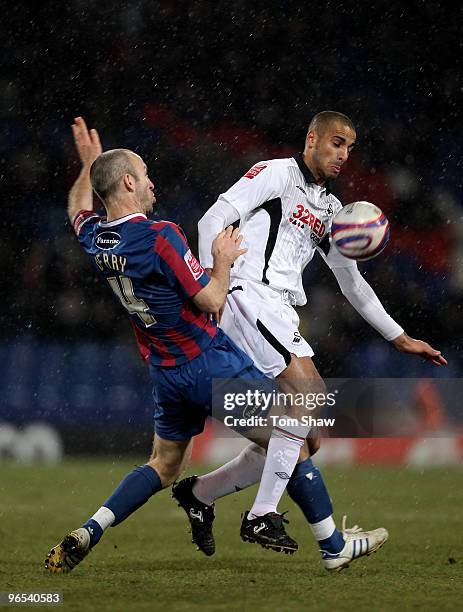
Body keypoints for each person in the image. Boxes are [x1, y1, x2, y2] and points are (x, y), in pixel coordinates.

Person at [172, 110, 447, 571]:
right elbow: (211, 220)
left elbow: (352, 282)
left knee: (306, 439)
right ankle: (267, 517)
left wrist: (399, 336)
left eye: (350, 148)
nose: (343, 154)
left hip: (279, 309)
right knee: (310, 396)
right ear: (312, 138)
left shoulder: (332, 211)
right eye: (336, 143)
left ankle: (200, 494)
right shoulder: (275, 174)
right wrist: (212, 288)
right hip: (248, 295)